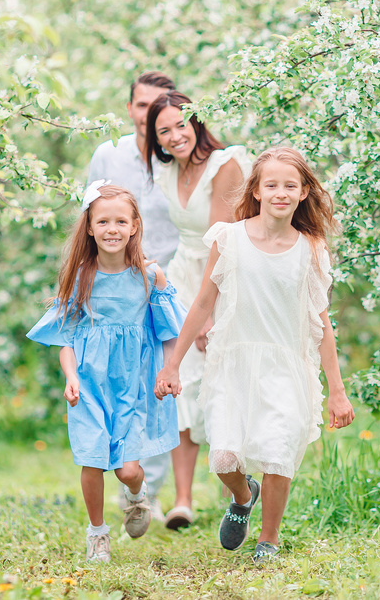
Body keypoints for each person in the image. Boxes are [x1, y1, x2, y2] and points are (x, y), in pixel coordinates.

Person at [154, 146, 356, 563]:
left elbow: (322, 325)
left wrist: (337, 390)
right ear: (258, 191)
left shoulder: (311, 249)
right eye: (272, 185)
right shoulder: (229, 239)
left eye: (290, 185)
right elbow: (203, 303)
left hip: (287, 365)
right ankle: (243, 496)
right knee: (225, 456)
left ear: (303, 193)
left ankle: (269, 539)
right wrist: (172, 363)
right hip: (233, 363)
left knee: (278, 452)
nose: (281, 192)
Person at [26, 182, 185, 563]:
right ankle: (97, 534)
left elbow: (169, 330)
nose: (112, 229)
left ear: (134, 226)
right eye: (103, 221)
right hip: (89, 383)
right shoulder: (80, 276)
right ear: (90, 228)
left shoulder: (149, 277)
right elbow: (66, 337)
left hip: (133, 385)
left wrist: (168, 370)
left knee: (129, 470)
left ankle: (136, 495)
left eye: (120, 221)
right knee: (93, 458)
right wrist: (71, 376)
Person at [144, 90, 250, 529]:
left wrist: (206, 315)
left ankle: (238, 491)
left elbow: (221, 244)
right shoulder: (166, 169)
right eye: (162, 131)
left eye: (179, 125)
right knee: (180, 384)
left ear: (196, 121)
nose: (173, 136)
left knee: (221, 383)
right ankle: (182, 500)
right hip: (182, 275)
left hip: (222, 280)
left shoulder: (225, 165)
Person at [87, 71, 179, 519]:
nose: (148, 114)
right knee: (117, 384)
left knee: (158, 387)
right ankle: (134, 484)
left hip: (163, 283)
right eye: (141, 106)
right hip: (114, 284)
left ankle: (148, 492)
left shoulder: (177, 154)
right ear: (130, 108)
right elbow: (88, 214)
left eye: (158, 106)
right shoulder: (108, 153)